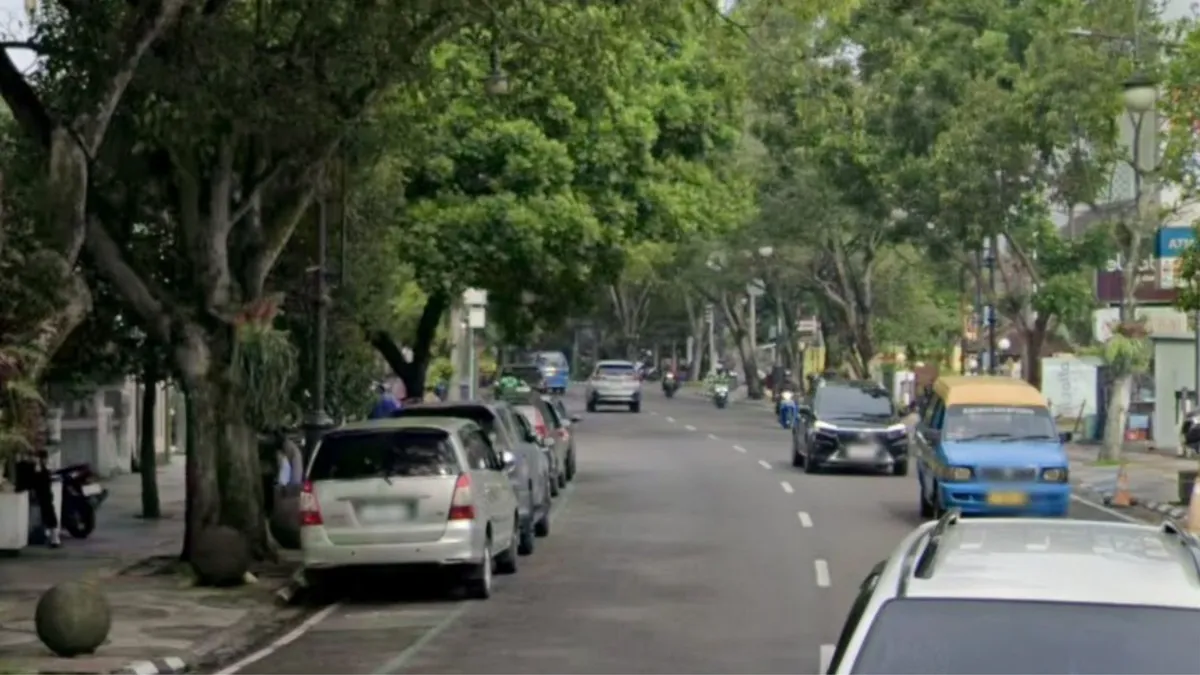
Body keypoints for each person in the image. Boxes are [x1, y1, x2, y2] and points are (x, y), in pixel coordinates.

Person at [15, 446, 60, 548]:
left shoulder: (42, 466)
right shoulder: (23, 465)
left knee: (47, 505)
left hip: (41, 481)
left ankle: (53, 535)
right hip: (28, 478)